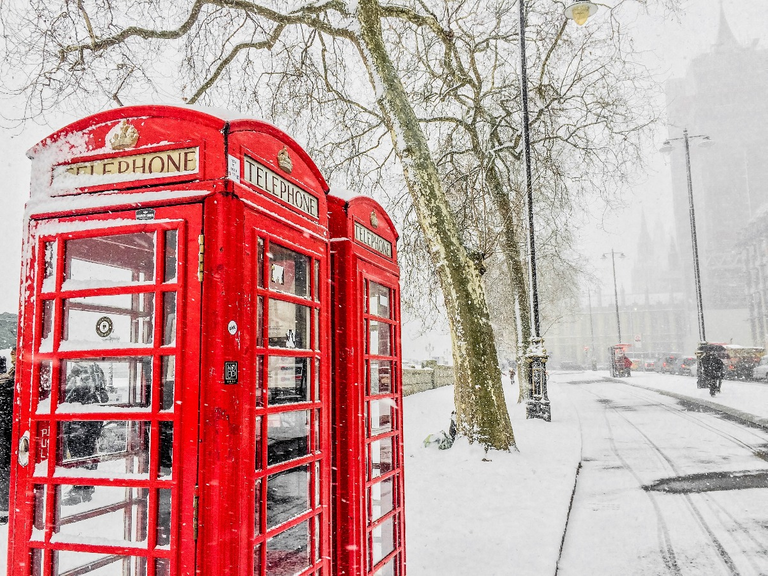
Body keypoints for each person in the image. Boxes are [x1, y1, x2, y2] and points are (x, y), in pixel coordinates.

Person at [61, 363, 108, 505]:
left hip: (79, 427)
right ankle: (85, 489)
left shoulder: (81, 383)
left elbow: (66, 398)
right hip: (88, 427)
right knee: (87, 457)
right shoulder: (96, 378)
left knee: (80, 458)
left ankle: (80, 490)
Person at [0, 347, 16, 524]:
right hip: (8, 432)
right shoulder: (12, 376)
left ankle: (5, 508)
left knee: (5, 468)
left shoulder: (12, 380)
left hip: (8, 433)